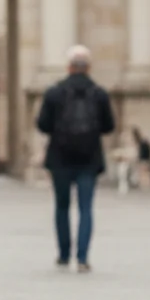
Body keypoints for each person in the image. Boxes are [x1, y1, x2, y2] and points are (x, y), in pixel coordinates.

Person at [35, 45, 115, 273]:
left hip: (60, 157)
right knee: (86, 208)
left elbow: (43, 125)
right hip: (89, 158)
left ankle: (63, 254)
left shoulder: (54, 92)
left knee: (61, 206)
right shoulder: (99, 93)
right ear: (88, 67)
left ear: (69, 67)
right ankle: (82, 257)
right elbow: (109, 126)